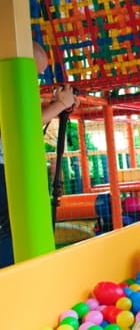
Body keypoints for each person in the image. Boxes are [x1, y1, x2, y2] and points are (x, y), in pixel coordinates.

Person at [0, 41, 79, 268]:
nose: (36, 81)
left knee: (17, 227)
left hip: (10, 168)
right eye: (34, 74)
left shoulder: (12, 88)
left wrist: (58, 105)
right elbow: (16, 125)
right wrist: (58, 105)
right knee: (7, 230)